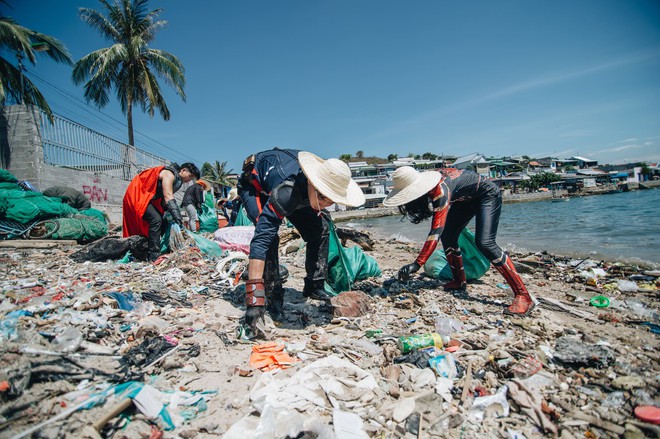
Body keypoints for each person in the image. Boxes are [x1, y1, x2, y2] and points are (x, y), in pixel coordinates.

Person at [238, 148, 365, 334]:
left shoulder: (318, 190)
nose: (324, 205)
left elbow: (318, 207)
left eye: (331, 201)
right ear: (313, 183)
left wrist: (320, 201)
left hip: (302, 191)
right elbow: (260, 241)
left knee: (320, 228)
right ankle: (272, 298)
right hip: (254, 187)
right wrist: (253, 299)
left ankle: (314, 284)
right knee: (270, 239)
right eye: (322, 198)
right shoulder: (287, 192)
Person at [383, 166, 535, 316]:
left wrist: (417, 264)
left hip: (487, 194)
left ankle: (523, 296)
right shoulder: (431, 187)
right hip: (465, 200)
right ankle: (459, 281)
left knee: (485, 242)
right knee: (448, 235)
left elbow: (435, 232)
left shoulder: (440, 190)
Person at [123, 162, 200, 261]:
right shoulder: (169, 174)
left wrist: (169, 216)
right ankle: (154, 255)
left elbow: (164, 201)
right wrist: (178, 217)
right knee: (156, 220)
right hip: (137, 195)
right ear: (183, 170)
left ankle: (165, 247)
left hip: (147, 198)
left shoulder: (178, 182)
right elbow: (168, 196)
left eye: (192, 179)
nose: (189, 180)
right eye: (190, 176)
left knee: (164, 221)